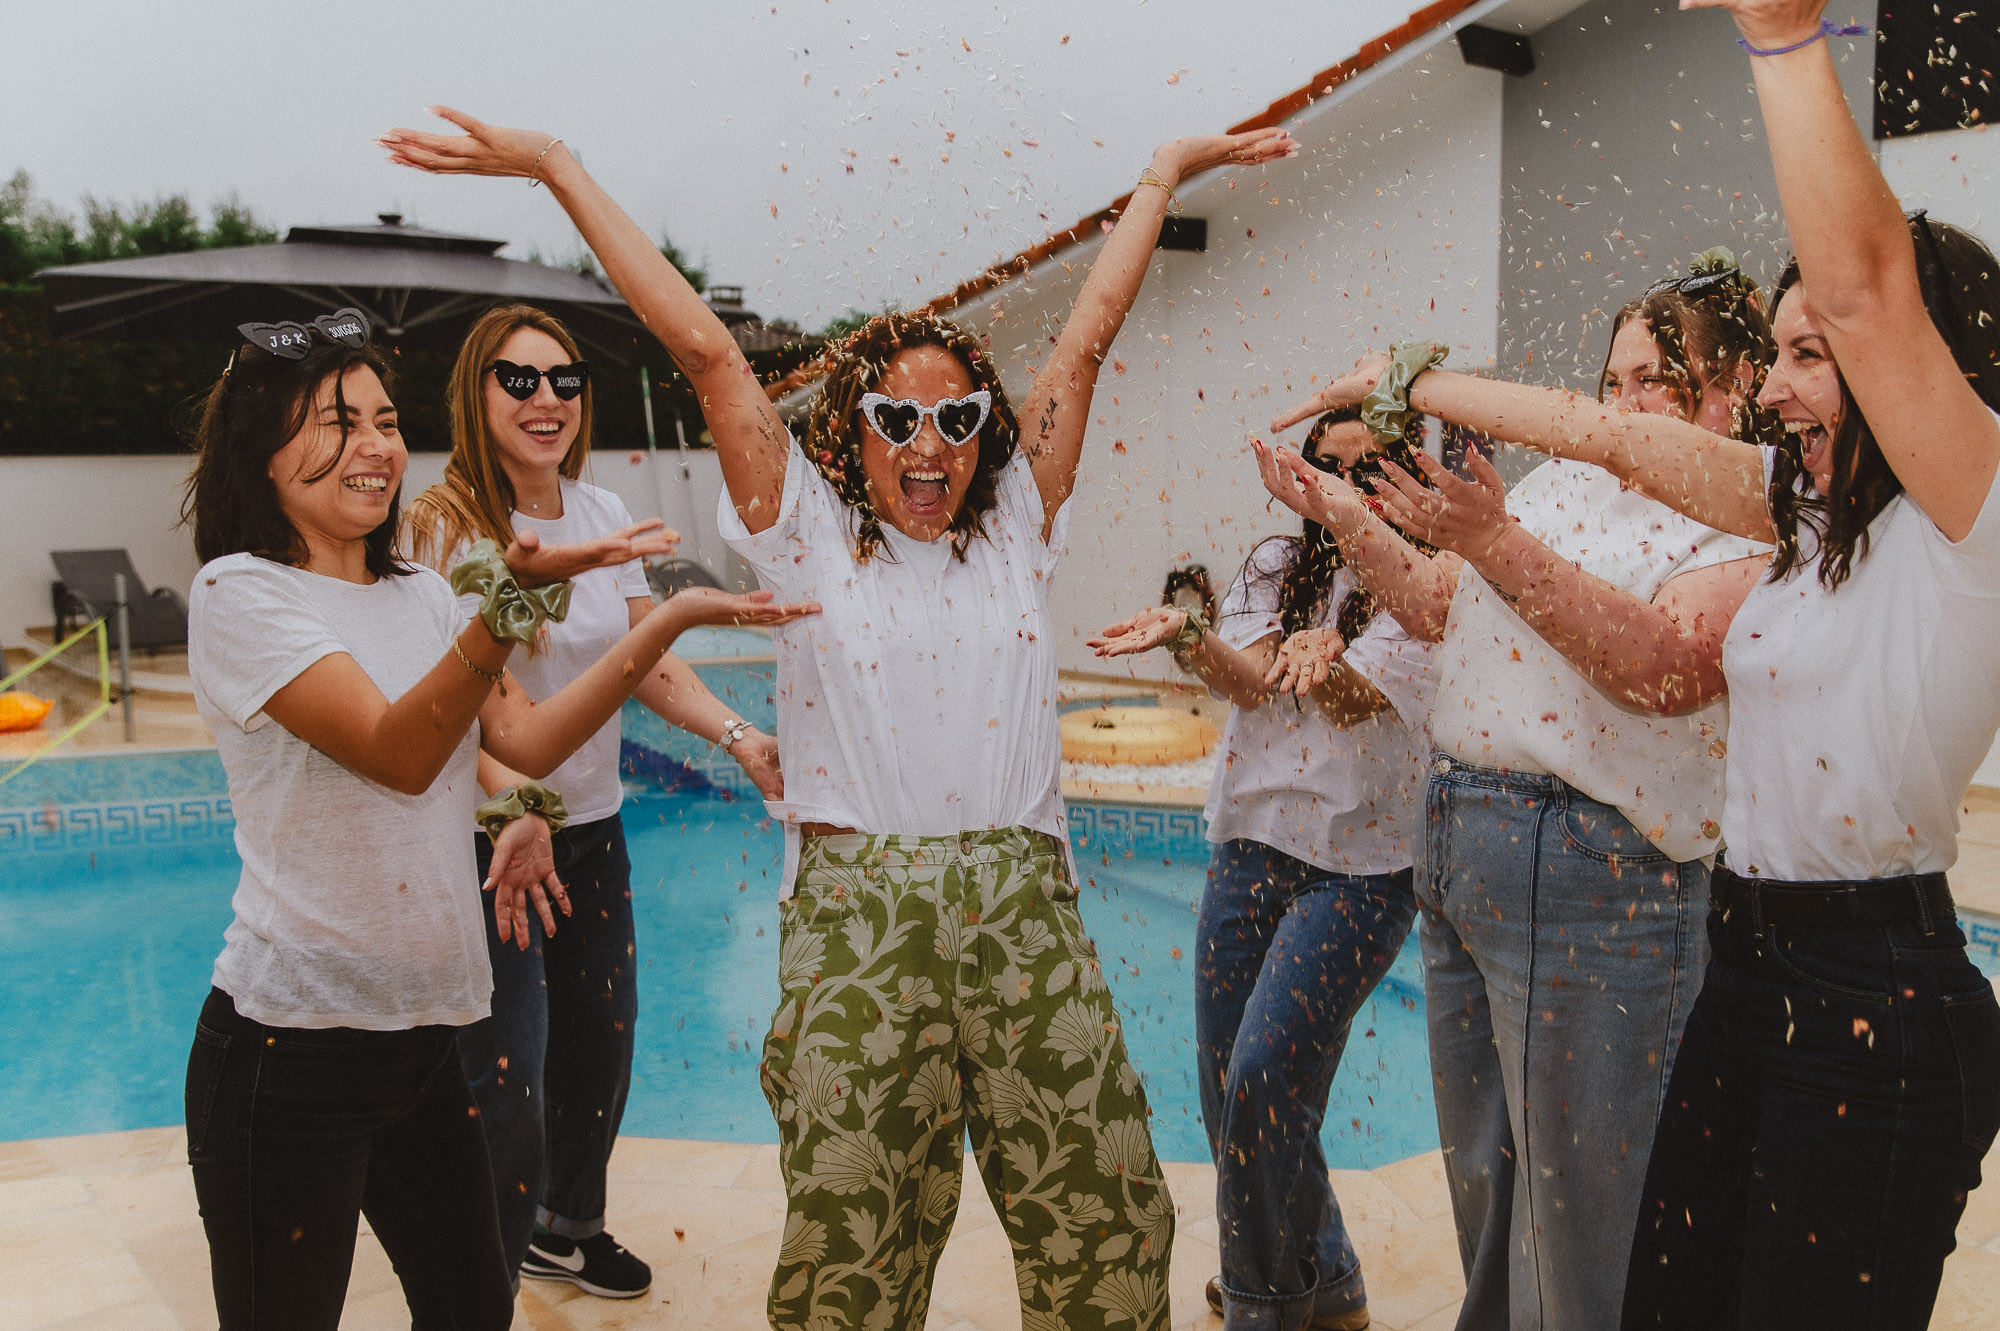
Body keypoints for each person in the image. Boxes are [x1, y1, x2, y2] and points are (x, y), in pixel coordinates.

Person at [380, 105, 1296, 1331]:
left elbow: (1082, 342)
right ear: (851, 429)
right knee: (852, 1246)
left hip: (1024, 907)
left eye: (958, 420)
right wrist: (557, 167)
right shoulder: (801, 526)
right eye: (897, 420)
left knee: (1106, 1216)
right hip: (859, 918)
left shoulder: (1015, 523)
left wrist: (1161, 175)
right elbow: (706, 352)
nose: (930, 443)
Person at [1369, 2, 2000, 1320]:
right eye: (1774, 354)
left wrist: (1780, 39)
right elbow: (1609, 436)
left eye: (1809, 354)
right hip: (1745, 960)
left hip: (1872, 991)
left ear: (1926, 362)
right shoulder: (1810, 515)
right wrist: (1405, 384)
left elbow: (1868, 289)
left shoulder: (1971, 514)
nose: (1771, 388)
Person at [179, 311, 813, 1330]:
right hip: (290, 1047)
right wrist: (507, 602)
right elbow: (398, 751)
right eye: (337, 423)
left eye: (385, 420)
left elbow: (525, 741)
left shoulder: (423, 594)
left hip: (421, 1038)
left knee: (474, 1306)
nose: (374, 445)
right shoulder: (240, 593)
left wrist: (670, 615)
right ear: (261, 449)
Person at [1253, 254, 1776, 1330]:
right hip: (1465, 845)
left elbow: (1664, 667)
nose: (1621, 405)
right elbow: (1439, 603)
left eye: (1654, 381)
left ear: (1735, 388)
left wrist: (1493, 539)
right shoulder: (1566, 486)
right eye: (1613, 380)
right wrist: (1348, 517)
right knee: (1491, 1196)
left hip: (1596, 876)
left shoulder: (1744, 516)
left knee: (1586, 1224)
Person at [403, 303, 784, 1299]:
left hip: (592, 830)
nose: (547, 399)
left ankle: (566, 1227)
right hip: (488, 841)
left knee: (599, 1043)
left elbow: (642, 661)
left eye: (564, 380)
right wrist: (512, 805)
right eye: (519, 379)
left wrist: (739, 737)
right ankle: (476, 1278)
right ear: (476, 390)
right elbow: (467, 706)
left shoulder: (602, 511)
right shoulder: (442, 524)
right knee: (507, 1069)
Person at [1087, 408, 1436, 1331]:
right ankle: (1330, 1280)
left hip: (1359, 873)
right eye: (1325, 469)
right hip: (1250, 847)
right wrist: (1187, 633)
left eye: (1367, 471)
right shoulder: (1279, 565)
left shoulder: (1425, 586)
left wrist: (1324, 655)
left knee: (1265, 1076)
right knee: (1230, 1086)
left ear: (1403, 476)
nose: (1343, 490)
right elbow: (1245, 681)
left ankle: (1262, 1304)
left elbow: (1355, 701)